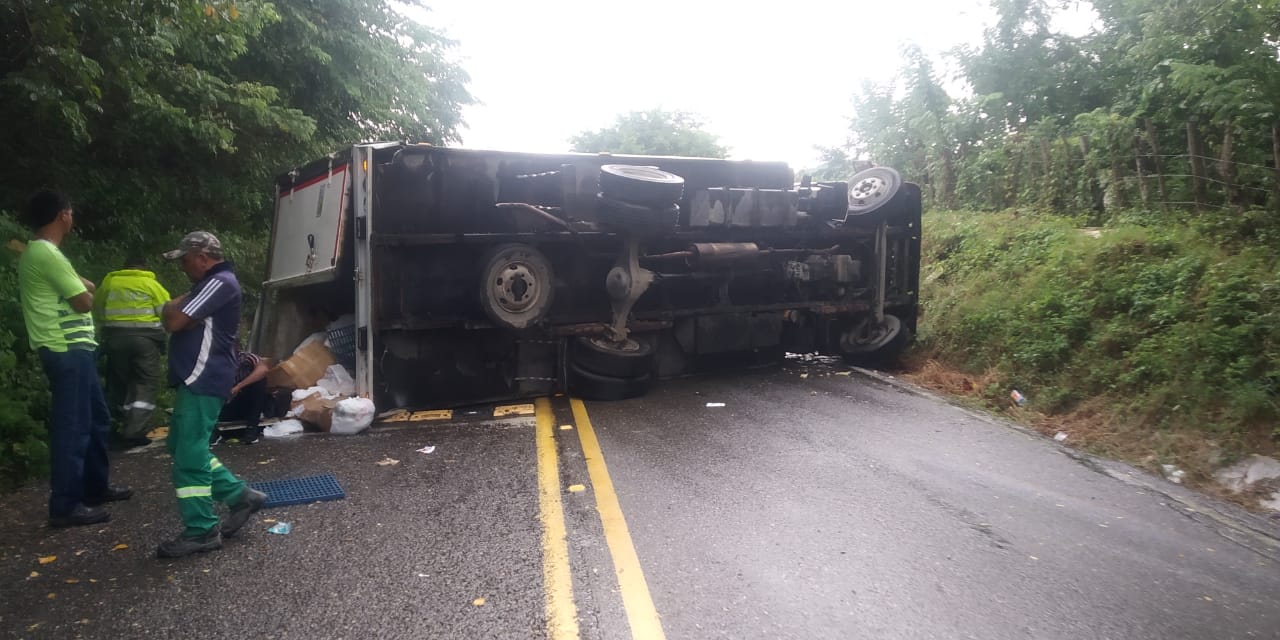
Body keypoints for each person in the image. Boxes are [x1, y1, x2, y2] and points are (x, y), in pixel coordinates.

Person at [18, 190, 131, 528]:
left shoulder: (46, 253)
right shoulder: (46, 253)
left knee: (96, 418)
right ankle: (65, 505)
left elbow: (88, 286)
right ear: (62, 214)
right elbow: (83, 300)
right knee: (75, 425)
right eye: (70, 211)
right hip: (64, 347)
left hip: (76, 349)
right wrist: (84, 289)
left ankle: (95, 488)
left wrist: (84, 287)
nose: (72, 216)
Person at [157, 231, 266, 558]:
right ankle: (239, 496)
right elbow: (177, 316)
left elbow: (174, 319)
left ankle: (202, 529)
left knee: (189, 455)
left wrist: (172, 307)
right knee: (181, 446)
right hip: (198, 379)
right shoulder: (208, 286)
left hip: (202, 378)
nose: (183, 267)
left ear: (203, 258)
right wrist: (176, 308)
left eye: (186, 260)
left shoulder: (218, 283)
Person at [94, 255, 170, 449]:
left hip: (114, 340)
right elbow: (168, 314)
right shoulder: (151, 284)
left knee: (118, 383)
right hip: (145, 342)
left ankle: (114, 428)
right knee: (145, 383)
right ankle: (134, 432)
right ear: (143, 268)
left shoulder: (109, 283)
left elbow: (97, 308)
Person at [212, 349, 272, 445]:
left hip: (246, 402)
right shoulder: (215, 361)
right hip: (226, 405)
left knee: (260, 382)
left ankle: (251, 429)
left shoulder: (247, 358)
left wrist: (238, 387)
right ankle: (213, 432)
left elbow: (263, 370)